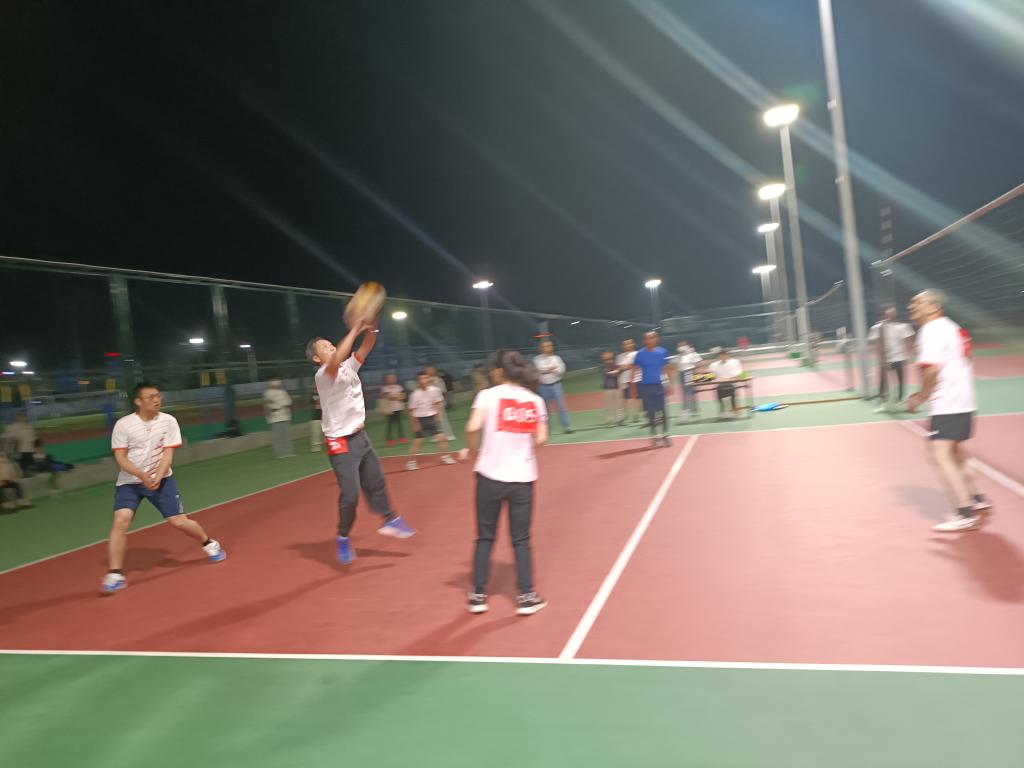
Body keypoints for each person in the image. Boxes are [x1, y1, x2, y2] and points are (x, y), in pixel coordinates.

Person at [307, 318, 415, 566]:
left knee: (376, 480)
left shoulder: (348, 367)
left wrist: (372, 327)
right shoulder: (323, 375)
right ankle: (343, 536)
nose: (331, 347)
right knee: (350, 496)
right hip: (340, 442)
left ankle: (389, 519)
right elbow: (337, 359)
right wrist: (355, 329)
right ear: (316, 358)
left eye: (331, 344)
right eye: (324, 347)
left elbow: (367, 345)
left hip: (360, 436)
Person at [101, 382, 225, 594]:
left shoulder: (169, 421)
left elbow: (168, 454)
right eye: (150, 397)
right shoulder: (124, 425)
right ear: (138, 401)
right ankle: (115, 574)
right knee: (121, 520)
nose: (156, 400)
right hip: (130, 483)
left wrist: (157, 477)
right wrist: (141, 475)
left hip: (162, 480)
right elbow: (120, 457)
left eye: (158, 396)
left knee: (179, 522)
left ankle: (208, 543)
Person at [459, 349, 548, 616]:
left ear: (499, 371)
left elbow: (472, 427)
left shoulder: (487, 396)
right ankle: (526, 596)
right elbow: (541, 439)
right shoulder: (535, 400)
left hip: (489, 476)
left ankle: (478, 595)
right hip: (522, 477)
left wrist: (472, 449)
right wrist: (521, 446)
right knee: (521, 540)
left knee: (485, 537)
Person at [905, 290, 991, 532]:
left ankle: (964, 512)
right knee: (954, 453)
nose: (912, 307)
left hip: (947, 402)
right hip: (963, 400)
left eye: (918, 303)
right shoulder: (952, 327)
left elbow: (932, 369)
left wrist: (920, 396)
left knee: (938, 454)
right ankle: (975, 498)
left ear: (934, 307)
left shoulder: (931, 330)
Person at [868, 305, 915, 412]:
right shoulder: (877, 328)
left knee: (901, 381)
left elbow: (909, 341)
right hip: (886, 359)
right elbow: (876, 344)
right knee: (883, 382)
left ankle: (900, 400)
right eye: (889, 312)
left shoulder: (902, 327)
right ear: (883, 314)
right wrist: (881, 359)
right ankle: (883, 403)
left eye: (893, 312)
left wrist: (911, 355)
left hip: (899, 358)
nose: (891, 314)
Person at [407, 370, 456, 470]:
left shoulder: (435, 390)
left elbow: (438, 402)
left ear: (429, 379)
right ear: (418, 381)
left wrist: (439, 415)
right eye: (421, 379)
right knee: (418, 441)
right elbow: (411, 410)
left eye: (425, 378)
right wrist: (414, 424)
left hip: (432, 418)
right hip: (420, 419)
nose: (424, 380)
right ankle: (411, 462)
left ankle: (446, 457)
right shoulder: (415, 395)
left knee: (442, 438)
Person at [632, 331, 673, 447]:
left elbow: (665, 369)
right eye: (647, 338)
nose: (650, 340)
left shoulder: (662, 351)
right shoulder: (640, 354)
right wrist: (633, 387)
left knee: (663, 412)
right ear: (644, 340)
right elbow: (635, 370)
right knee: (650, 413)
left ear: (656, 339)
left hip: (659, 386)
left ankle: (665, 435)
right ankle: (655, 437)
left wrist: (669, 384)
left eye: (652, 338)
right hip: (645, 387)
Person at [534, 339, 572, 434]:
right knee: (544, 409)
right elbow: (539, 368)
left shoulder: (557, 358)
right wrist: (551, 369)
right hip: (543, 387)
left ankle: (566, 427)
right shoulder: (537, 359)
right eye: (545, 346)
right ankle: (547, 429)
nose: (548, 348)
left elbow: (562, 370)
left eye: (549, 346)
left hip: (556, 385)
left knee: (561, 407)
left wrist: (551, 370)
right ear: (541, 348)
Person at [262, 377, 294, 458]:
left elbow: (288, 401)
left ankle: (288, 452)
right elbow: (267, 404)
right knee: (277, 436)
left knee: (286, 434)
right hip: (275, 416)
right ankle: (279, 453)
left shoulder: (283, 392)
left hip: (284, 415)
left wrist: (277, 402)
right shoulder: (267, 393)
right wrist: (277, 403)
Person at [709, 348, 744, 418]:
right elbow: (711, 376)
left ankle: (734, 410)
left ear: (728, 355)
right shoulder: (713, 365)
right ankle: (722, 411)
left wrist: (726, 379)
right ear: (718, 356)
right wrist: (717, 379)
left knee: (729, 389)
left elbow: (739, 374)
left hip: (732, 383)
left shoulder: (735, 362)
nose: (722, 357)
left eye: (724, 355)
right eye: (721, 355)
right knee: (720, 390)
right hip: (720, 384)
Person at [425, 364, 456, 441]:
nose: (428, 371)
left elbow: (442, 390)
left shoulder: (437, 379)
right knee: (433, 421)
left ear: (433, 370)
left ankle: (448, 435)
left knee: (442, 419)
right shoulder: (425, 380)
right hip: (429, 404)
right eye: (427, 370)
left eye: (430, 369)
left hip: (438, 402)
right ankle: (436, 436)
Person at [675, 340, 704, 422]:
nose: (680, 347)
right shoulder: (678, 356)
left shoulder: (692, 354)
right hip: (681, 374)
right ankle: (693, 408)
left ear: (687, 346)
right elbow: (676, 365)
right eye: (679, 345)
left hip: (689, 373)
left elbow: (700, 363)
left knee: (688, 392)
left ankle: (685, 411)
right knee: (686, 392)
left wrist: (693, 367)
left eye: (682, 345)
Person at [616, 339, 642, 424]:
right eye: (624, 344)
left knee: (636, 398)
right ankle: (623, 416)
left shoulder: (637, 354)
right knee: (624, 399)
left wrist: (626, 366)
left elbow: (637, 366)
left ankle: (636, 415)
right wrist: (629, 366)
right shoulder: (619, 356)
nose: (626, 346)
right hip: (623, 380)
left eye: (628, 344)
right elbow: (619, 368)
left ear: (633, 344)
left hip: (635, 379)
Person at [379, 372, 408, 446]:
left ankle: (401, 437)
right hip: (389, 409)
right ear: (386, 380)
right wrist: (398, 397)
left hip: (399, 408)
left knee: (400, 424)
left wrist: (395, 397)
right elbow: (389, 397)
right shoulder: (384, 388)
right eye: (389, 378)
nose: (392, 379)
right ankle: (389, 439)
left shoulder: (399, 387)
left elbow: (404, 396)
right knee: (390, 425)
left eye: (393, 378)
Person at [600, 350, 624, 425]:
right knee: (609, 405)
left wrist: (619, 370)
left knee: (619, 404)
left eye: (610, 358)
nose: (608, 361)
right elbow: (611, 374)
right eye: (606, 359)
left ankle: (620, 419)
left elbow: (619, 371)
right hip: (607, 388)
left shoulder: (616, 366)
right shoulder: (602, 367)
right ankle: (610, 420)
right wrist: (618, 371)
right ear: (603, 359)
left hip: (617, 387)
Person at [309, 380, 323, 452]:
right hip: (316, 416)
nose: (314, 386)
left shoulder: (323, 393)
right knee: (315, 432)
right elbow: (314, 404)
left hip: (325, 416)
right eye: (313, 385)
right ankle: (316, 447)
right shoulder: (312, 395)